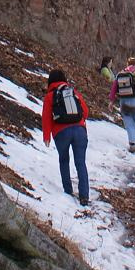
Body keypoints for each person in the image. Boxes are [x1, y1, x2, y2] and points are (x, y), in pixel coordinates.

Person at [41, 68, 90, 206]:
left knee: (64, 160)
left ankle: (68, 190)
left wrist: (47, 136)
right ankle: (84, 196)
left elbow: (46, 117)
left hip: (61, 132)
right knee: (80, 162)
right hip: (80, 131)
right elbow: (85, 112)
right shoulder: (73, 92)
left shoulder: (50, 96)